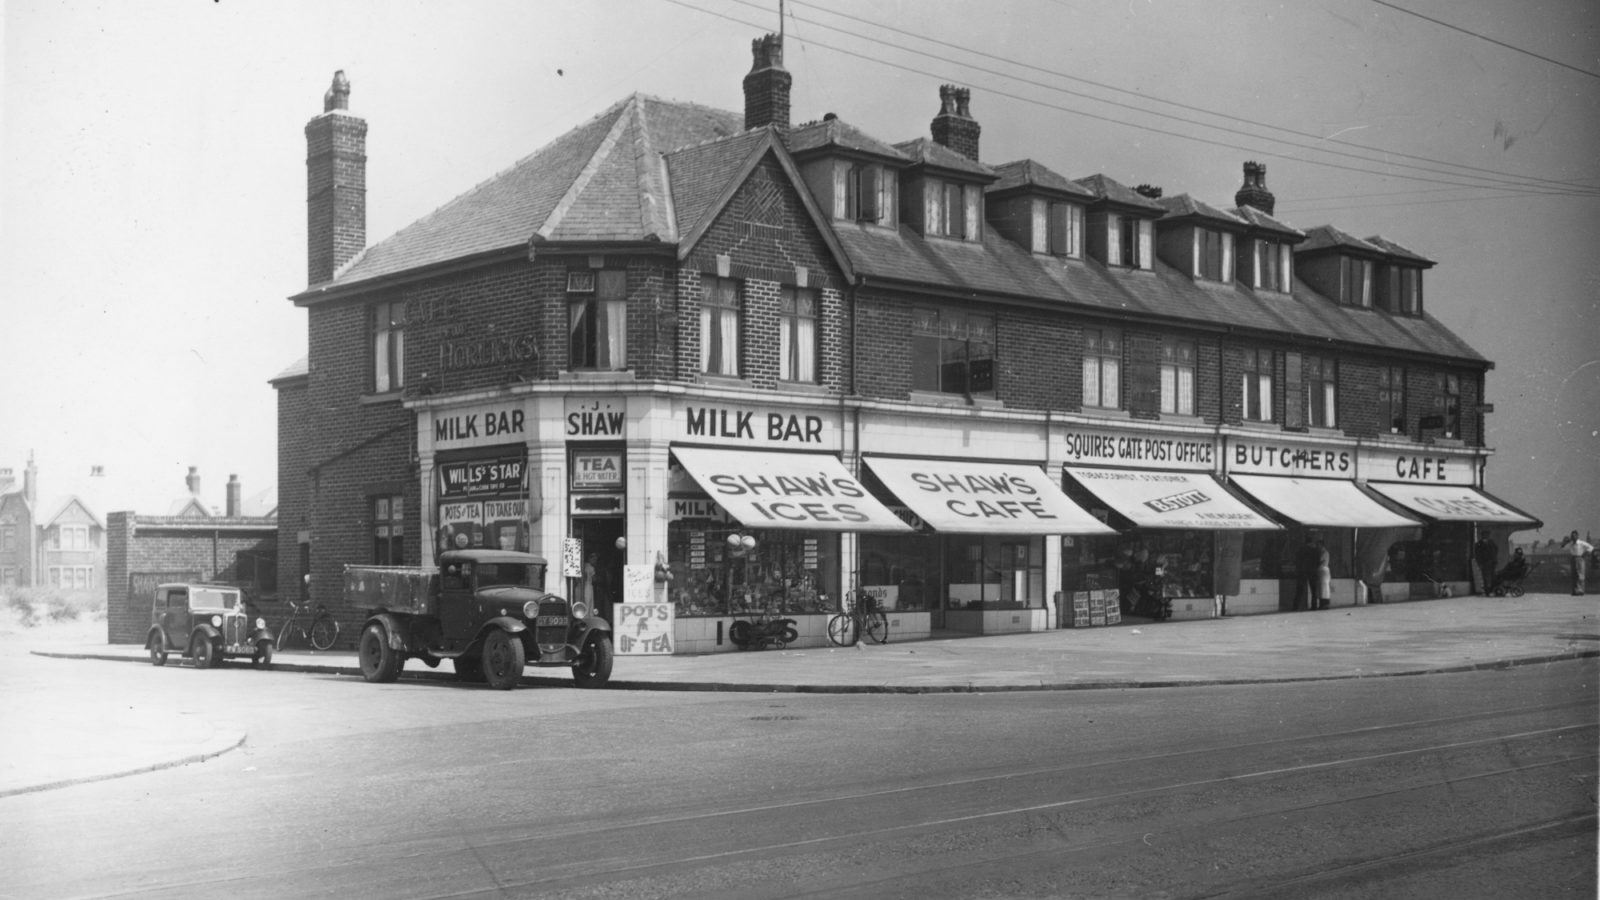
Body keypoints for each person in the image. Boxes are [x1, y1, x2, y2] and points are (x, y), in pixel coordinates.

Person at [1561, 531, 1595, 596]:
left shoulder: (1581, 543)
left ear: (1577, 536)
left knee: (1580, 575)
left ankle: (1580, 591)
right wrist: (1565, 542)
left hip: (1580, 558)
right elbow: (1563, 548)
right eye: (1572, 536)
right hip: (1573, 559)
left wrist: (1585, 554)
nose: (1573, 537)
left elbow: (1591, 547)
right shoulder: (1570, 544)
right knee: (1574, 575)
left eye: (1574, 536)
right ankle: (1574, 591)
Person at [1294, 533, 1321, 612]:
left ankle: (1296, 606)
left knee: (1300, 590)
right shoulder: (1315, 551)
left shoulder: (1301, 550)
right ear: (1311, 542)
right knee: (1314, 590)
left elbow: (1297, 560)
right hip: (1312, 572)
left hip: (1302, 571)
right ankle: (1314, 606)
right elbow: (1318, 561)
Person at [1315, 537, 1332, 610]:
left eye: (1318, 545)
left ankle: (1325, 604)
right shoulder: (1322, 552)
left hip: (1323, 570)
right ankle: (1323, 603)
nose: (1317, 547)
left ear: (1321, 545)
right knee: (1321, 588)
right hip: (1321, 570)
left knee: (1324, 588)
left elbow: (1321, 561)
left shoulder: (1324, 552)